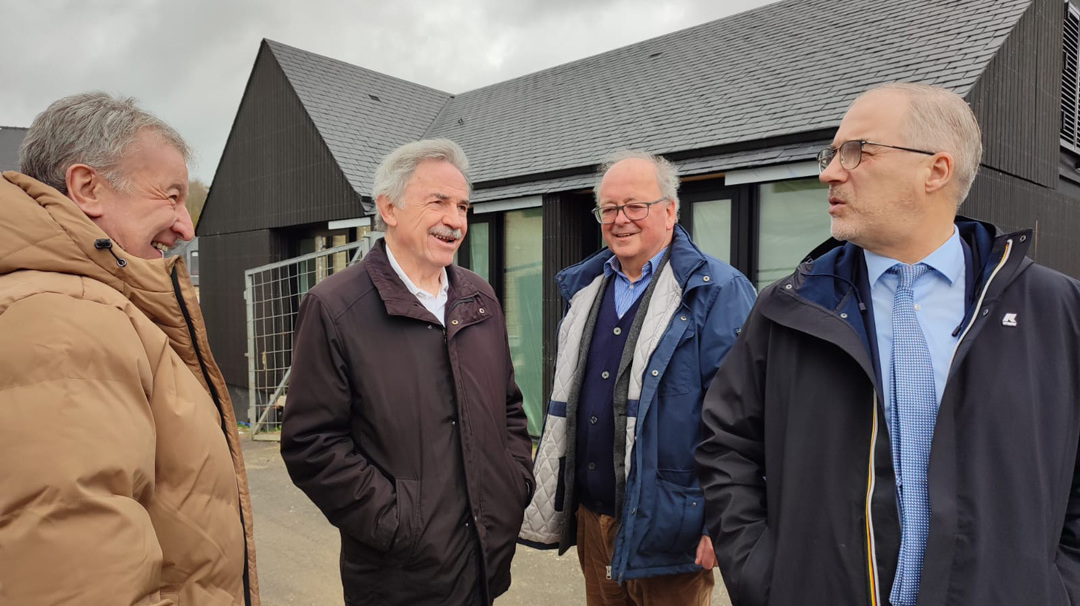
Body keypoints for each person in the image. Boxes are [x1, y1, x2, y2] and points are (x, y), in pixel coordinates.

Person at [696, 82, 1080, 606]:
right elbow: (727, 446)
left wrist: (1058, 586)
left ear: (936, 170)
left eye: (856, 151)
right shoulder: (788, 309)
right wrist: (764, 576)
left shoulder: (1054, 309)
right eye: (830, 154)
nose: (829, 171)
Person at [0, 92, 259, 605]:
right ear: (88, 187)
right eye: (170, 195)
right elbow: (75, 575)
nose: (187, 226)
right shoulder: (66, 318)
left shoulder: (90, 307)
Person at [281, 139, 534, 606]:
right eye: (437, 201)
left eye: (462, 206)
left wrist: (514, 482)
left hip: (483, 561)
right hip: (399, 578)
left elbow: (509, 407)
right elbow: (312, 444)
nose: (455, 220)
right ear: (389, 209)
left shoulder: (479, 298)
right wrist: (397, 520)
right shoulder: (336, 307)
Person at [520, 150, 757, 605]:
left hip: (672, 526)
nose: (619, 219)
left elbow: (744, 418)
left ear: (670, 210)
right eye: (608, 208)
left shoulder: (717, 291)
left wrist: (721, 523)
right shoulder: (586, 289)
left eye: (635, 206)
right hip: (593, 517)